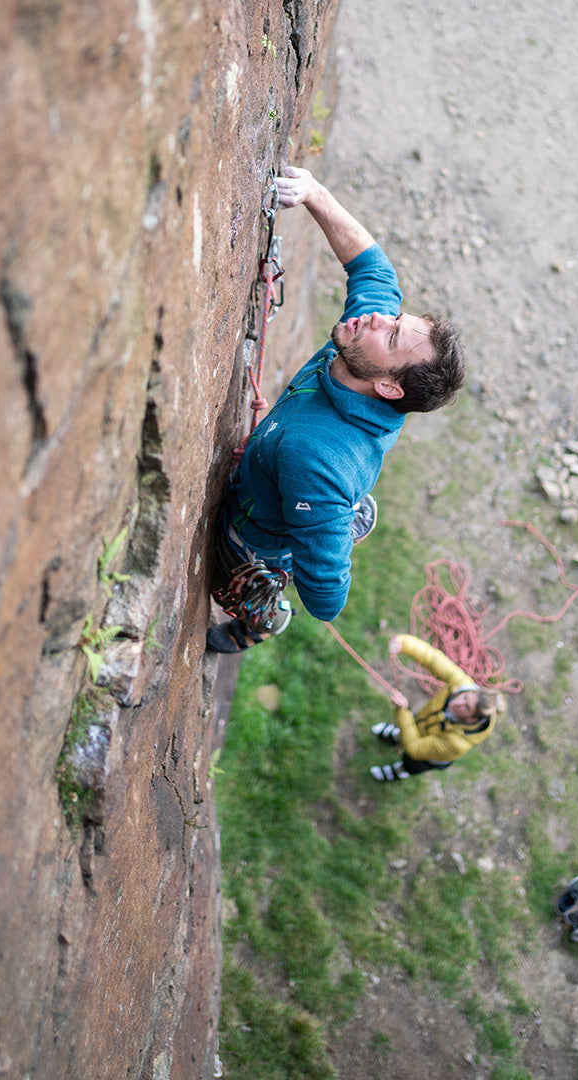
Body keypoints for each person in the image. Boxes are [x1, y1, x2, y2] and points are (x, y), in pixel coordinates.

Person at [206, 167, 467, 653]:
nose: (378, 317)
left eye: (391, 334)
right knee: (315, 499)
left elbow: (326, 601)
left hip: (254, 538)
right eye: (396, 318)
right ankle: (335, 516)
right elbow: (373, 269)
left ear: (388, 386)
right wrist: (314, 194)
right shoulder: (361, 344)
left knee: (232, 582)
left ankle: (258, 624)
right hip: (297, 479)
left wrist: (327, 530)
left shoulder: (319, 460)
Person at [369, 634, 504, 781]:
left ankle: (397, 771)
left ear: (472, 719)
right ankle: (397, 735)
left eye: (466, 707)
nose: (457, 702)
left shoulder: (456, 743)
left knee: (410, 763)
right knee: (409, 728)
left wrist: (402, 711)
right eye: (465, 697)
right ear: (472, 691)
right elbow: (432, 658)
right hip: (422, 721)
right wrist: (404, 643)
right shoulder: (462, 684)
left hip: (427, 757)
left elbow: (414, 748)